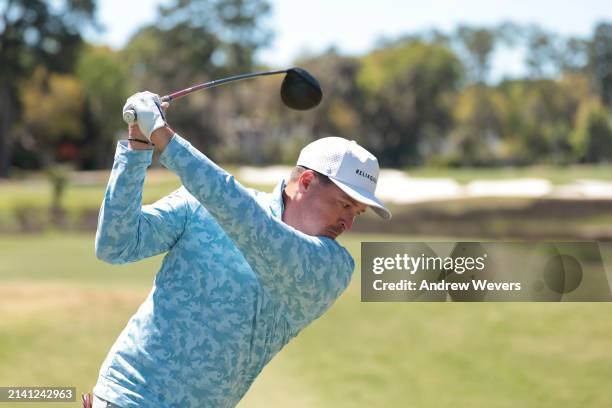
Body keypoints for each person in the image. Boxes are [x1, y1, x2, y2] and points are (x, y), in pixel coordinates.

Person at [92, 91, 391, 408]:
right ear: (305, 182)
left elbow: (255, 229)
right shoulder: (202, 204)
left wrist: (165, 138)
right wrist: (138, 147)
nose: (347, 222)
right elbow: (116, 245)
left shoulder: (331, 268)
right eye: (344, 204)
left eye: (356, 212)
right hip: (126, 395)